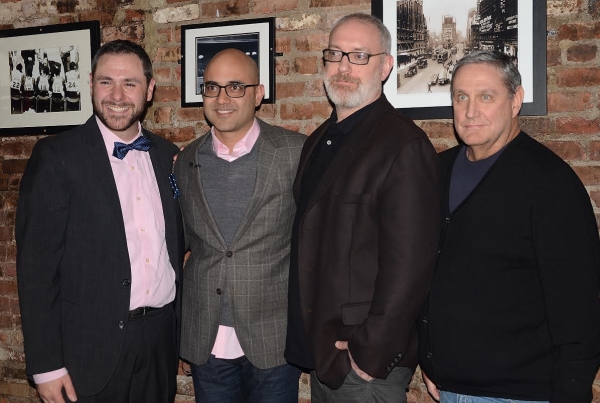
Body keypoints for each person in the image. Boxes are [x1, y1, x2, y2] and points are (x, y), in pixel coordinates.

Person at [419, 50, 600, 403]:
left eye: (486, 96)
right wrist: (428, 357)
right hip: (448, 387)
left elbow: (578, 309)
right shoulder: (435, 172)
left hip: (517, 394)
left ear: (515, 100)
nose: (471, 111)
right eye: (461, 97)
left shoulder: (550, 184)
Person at [16, 39, 185, 403]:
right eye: (107, 81)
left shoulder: (169, 157)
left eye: (131, 83)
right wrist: (46, 365)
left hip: (159, 340)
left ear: (150, 89)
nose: (117, 95)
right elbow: (36, 269)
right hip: (88, 347)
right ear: (91, 83)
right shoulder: (56, 157)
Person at [285, 13, 441, 403]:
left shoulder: (404, 145)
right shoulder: (317, 141)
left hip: (365, 366)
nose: (343, 67)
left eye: (359, 56)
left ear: (385, 66)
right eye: (335, 54)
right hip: (326, 356)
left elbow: (411, 266)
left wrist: (368, 354)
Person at [173, 48, 305, 403]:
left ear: (258, 93)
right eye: (212, 88)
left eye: (235, 86)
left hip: (273, 337)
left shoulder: (295, 153)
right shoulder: (185, 162)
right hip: (207, 338)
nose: (222, 98)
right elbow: (179, 244)